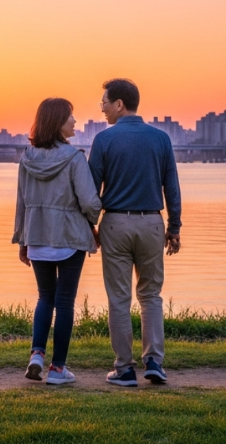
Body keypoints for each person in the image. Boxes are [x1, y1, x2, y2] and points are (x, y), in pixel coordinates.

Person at [89, 78, 182, 387]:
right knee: (151, 295)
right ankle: (154, 362)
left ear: (119, 104)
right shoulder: (161, 139)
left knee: (119, 298)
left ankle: (124, 369)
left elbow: (91, 191)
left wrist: (91, 226)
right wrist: (175, 227)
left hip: (115, 223)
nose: (101, 107)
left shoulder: (104, 140)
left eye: (104, 101)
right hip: (152, 224)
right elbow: (172, 187)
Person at [12, 97, 102, 385]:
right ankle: (58, 369)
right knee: (64, 303)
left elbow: (21, 203)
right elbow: (89, 201)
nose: (75, 122)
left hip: (37, 236)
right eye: (70, 117)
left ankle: (36, 354)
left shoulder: (27, 158)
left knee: (44, 298)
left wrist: (22, 240)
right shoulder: (75, 158)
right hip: (69, 238)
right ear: (57, 122)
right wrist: (94, 222)